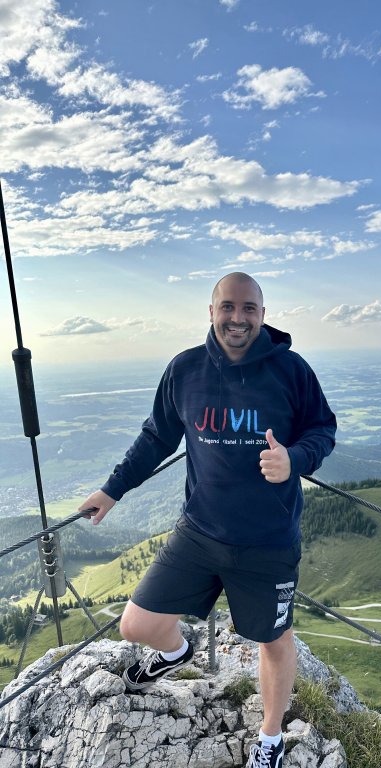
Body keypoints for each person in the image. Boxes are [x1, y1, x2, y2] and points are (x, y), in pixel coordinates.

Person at [79, 272, 336, 768]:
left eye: (249, 308)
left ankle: (269, 738)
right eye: (228, 306)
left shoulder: (291, 371)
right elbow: (157, 437)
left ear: (262, 314)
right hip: (198, 532)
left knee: (274, 640)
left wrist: (295, 461)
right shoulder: (186, 370)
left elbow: (322, 430)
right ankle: (176, 653)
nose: (238, 317)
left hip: (266, 540)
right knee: (135, 625)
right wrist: (112, 489)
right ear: (212, 309)